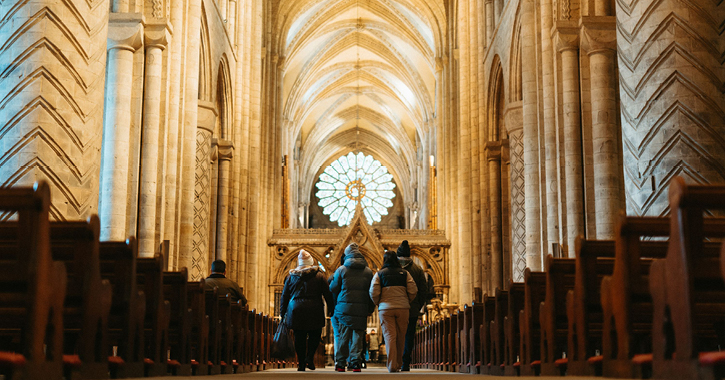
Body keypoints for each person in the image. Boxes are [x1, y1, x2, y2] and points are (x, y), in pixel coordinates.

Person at [280, 250, 334, 371]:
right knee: (315, 335)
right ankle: (309, 357)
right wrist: (331, 309)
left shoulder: (290, 276)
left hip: (296, 309)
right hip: (315, 308)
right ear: (311, 262)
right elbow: (327, 294)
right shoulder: (319, 276)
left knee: (299, 337)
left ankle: (301, 363)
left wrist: (282, 312)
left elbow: (284, 296)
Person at [329, 243, 375, 372]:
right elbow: (371, 292)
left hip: (344, 308)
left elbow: (333, 288)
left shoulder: (342, 270)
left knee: (344, 336)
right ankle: (355, 363)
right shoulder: (368, 271)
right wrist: (370, 309)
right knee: (358, 337)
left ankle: (340, 363)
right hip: (361, 309)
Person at [369, 252, 417, 372]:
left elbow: (373, 292)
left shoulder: (379, 274)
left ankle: (391, 365)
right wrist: (407, 301)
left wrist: (379, 302)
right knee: (401, 336)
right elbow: (413, 290)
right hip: (403, 308)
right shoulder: (405, 273)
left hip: (386, 309)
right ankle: (399, 363)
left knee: (390, 336)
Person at [396, 240, 428, 371]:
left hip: (396, 307)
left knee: (396, 334)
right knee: (409, 335)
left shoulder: (392, 268)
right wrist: (417, 305)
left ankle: (395, 361)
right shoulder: (417, 269)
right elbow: (423, 290)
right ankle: (405, 362)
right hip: (412, 309)